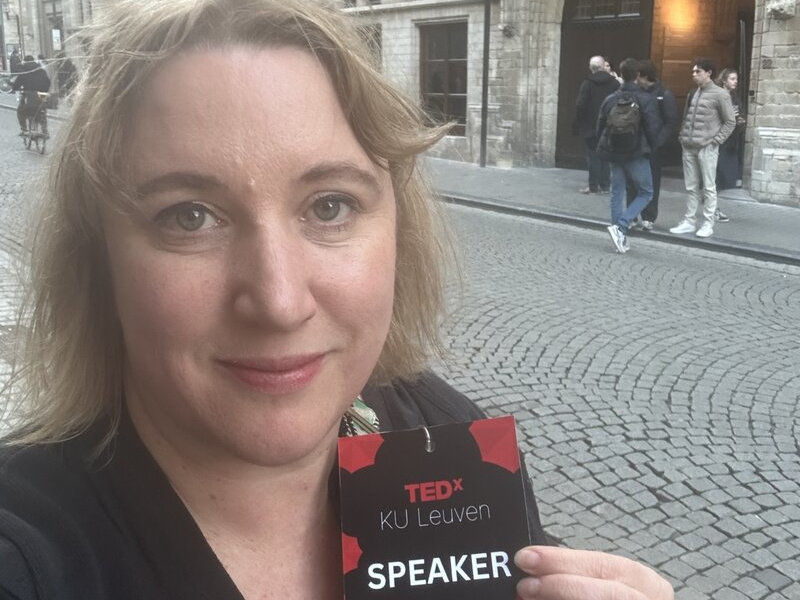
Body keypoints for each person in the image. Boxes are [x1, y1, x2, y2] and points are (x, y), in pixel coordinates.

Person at [0, 1, 674, 599]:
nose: (279, 300)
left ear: (397, 233)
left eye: (330, 205)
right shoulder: (30, 550)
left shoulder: (449, 442)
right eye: (189, 216)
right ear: (98, 260)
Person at [596, 58, 661, 254]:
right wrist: (653, 149)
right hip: (636, 153)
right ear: (638, 76)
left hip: (614, 152)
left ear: (621, 74)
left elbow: (600, 126)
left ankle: (619, 236)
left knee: (617, 193)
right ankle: (621, 226)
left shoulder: (610, 99)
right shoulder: (645, 99)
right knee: (647, 192)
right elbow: (652, 128)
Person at [669, 58, 736, 238]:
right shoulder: (694, 93)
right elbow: (688, 117)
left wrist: (716, 141)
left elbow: (730, 121)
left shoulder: (720, 94)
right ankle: (689, 221)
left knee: (708, 186)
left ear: (709, 73)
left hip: (707, 146)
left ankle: (708, 224)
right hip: (689, 145)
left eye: (697, 71)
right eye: (693, 72)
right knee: (691, 187)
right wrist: (682, 136)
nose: (694, 75)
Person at [627, 59, 678, 231]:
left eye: (638, 77)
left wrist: (657, 142)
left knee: (651, 183)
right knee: (632, 182)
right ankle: (632, 215)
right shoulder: (635, 93)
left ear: (644, 76)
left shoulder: (664, 94)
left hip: (652, 147)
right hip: (635, 144)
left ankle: (649, 217)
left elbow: (670, 122)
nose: (636, 80)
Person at [574, 55, 620, 194]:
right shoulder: (615, 83)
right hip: (609, 125)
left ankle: (593, 186)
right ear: (603, 66)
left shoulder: (587, 83)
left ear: (591, 68)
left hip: (591, 126)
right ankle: (605, 185)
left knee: (593, 156)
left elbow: (580, 105)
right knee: (606, 155)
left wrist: (580, 121)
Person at [714, 67, 745, 208]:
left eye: (736, 79)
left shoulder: (735, 98)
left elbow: (739, 114)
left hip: (731, 141)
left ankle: (712, 204)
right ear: (724, 81)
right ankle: (712, 206)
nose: (736, 82)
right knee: (716, 174)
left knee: (726, 177)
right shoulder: (718, 96)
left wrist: (739, 121)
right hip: (718, 139)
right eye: (732, 79)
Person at [10, 54, 51, 137]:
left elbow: (17, 84)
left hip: (28, 98)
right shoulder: (41, 70)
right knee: (42, 111)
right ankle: (45, 130)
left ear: (25, 62)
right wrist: (44, 90)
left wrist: (14, 88)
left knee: (20, 111)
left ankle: (24, 129)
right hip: (40, 97)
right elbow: (48, 82)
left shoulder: (24, 72)